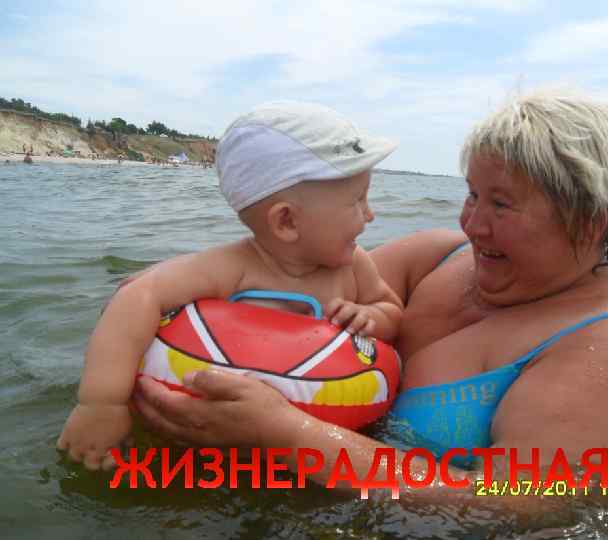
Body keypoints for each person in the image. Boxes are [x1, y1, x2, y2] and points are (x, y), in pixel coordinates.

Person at [131, 89, 608, 497]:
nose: (472, 224)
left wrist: (287, 436)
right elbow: (272, 283)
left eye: (501, 204)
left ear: (591, 219)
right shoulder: (434, 258)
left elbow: (519, 504)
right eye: (472, 195)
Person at [57, 101, 403, 470]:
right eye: (357, 201)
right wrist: (101, 405)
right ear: (286, 221)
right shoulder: (230, 267)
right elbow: (137, 295)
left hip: (312, 441)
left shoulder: (354, 266)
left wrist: (370, 316)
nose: (370, 214)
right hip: (208, 441)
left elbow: (392, 309)